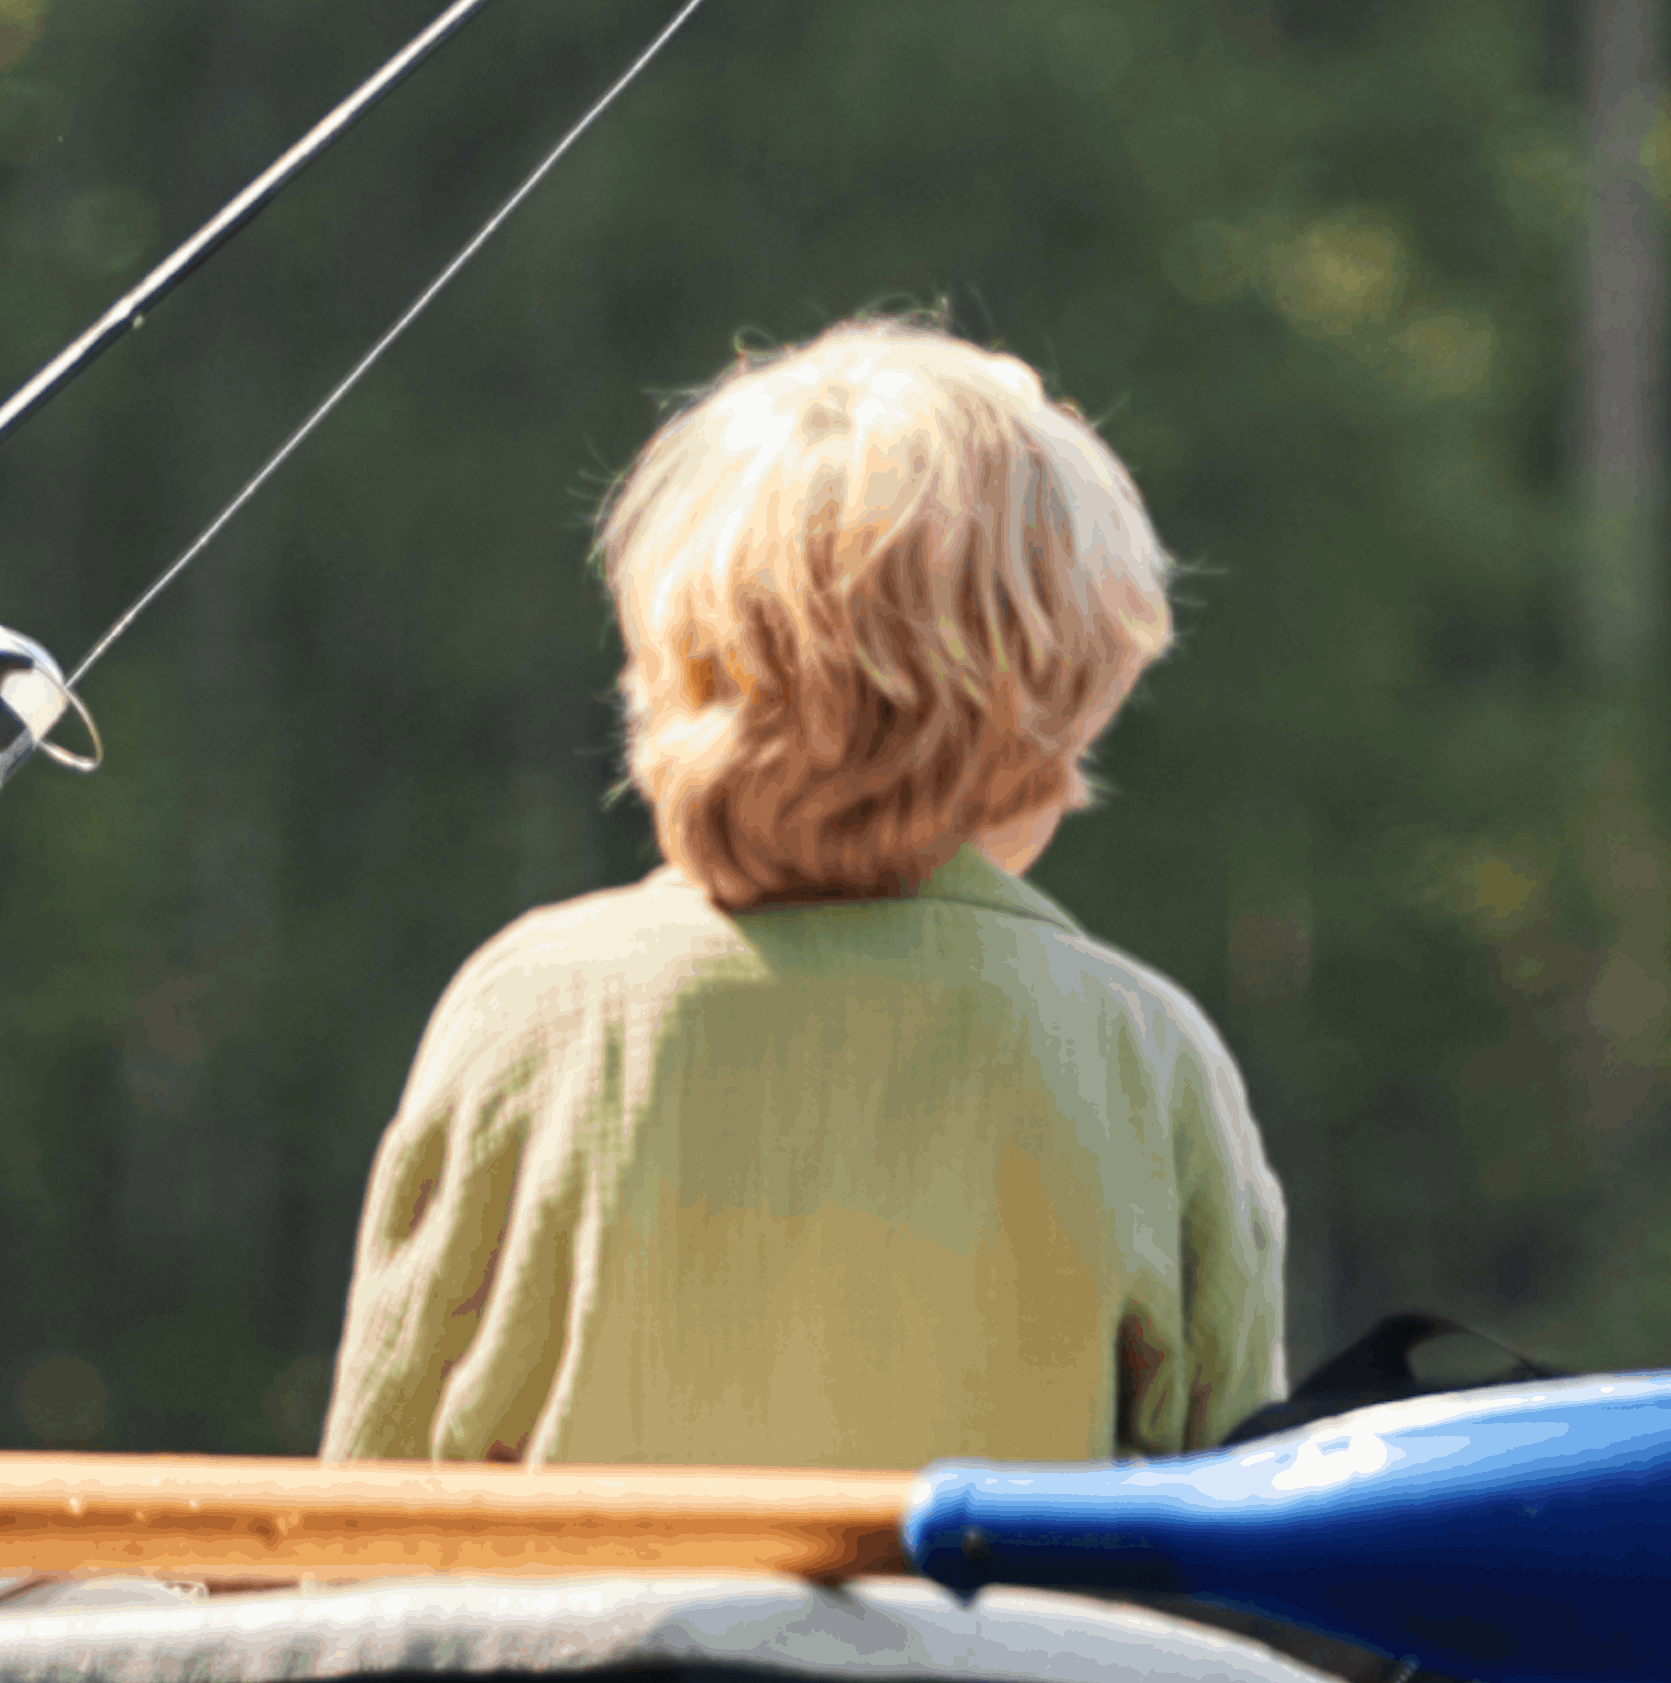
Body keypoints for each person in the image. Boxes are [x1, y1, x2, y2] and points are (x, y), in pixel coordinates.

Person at [322, 317, 1285, 1473]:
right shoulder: (1144, 1054)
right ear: (1062, 696)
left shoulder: (528, 1011)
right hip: (997, 1662)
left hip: (584, 1657)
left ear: (675, 661)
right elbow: (1238, 1521)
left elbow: (376, 1489)